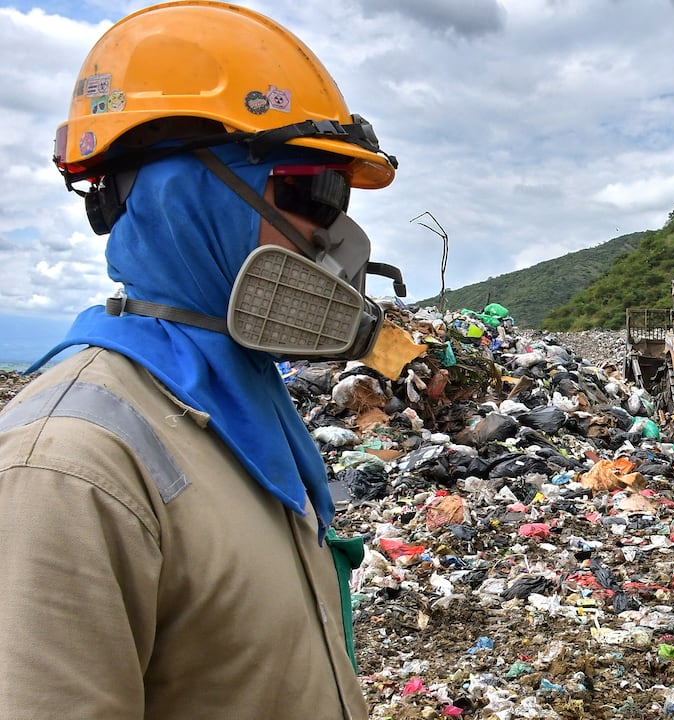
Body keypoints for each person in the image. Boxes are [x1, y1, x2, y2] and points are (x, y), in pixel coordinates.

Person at [0, 3, 406, 718]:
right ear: (183, 193)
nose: (332, 237)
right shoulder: (69, 467)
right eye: (311, 189)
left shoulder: (238, 409)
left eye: (335, 199)